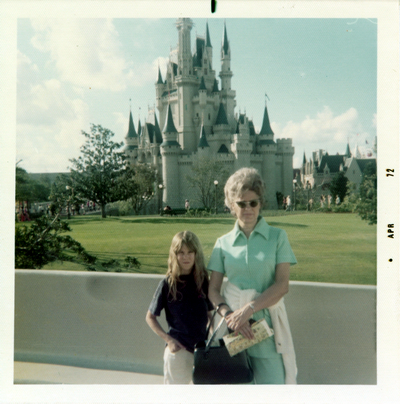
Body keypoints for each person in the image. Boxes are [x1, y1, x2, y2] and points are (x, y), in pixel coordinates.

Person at [208, 167, 298, 384]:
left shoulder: (278, 237)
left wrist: (248, 310)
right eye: (241, 203)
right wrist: (232, 316)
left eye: (253, 203)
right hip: (234, 333)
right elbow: (213, 289)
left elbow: (282, 285)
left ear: (260, 203)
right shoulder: (223, 243)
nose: (248, 208)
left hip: (266, 331)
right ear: (231, 205)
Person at [146, 231, 213, 384]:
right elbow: (150, 317)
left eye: (190, 252)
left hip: (202, 352)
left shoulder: (203, 281)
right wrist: (168, 340)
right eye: (181, 253)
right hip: (179, 351)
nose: (186, 257)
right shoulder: (167, 284)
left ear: (197, 254)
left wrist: (211, 339)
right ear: (174, 255)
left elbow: (210, 315)